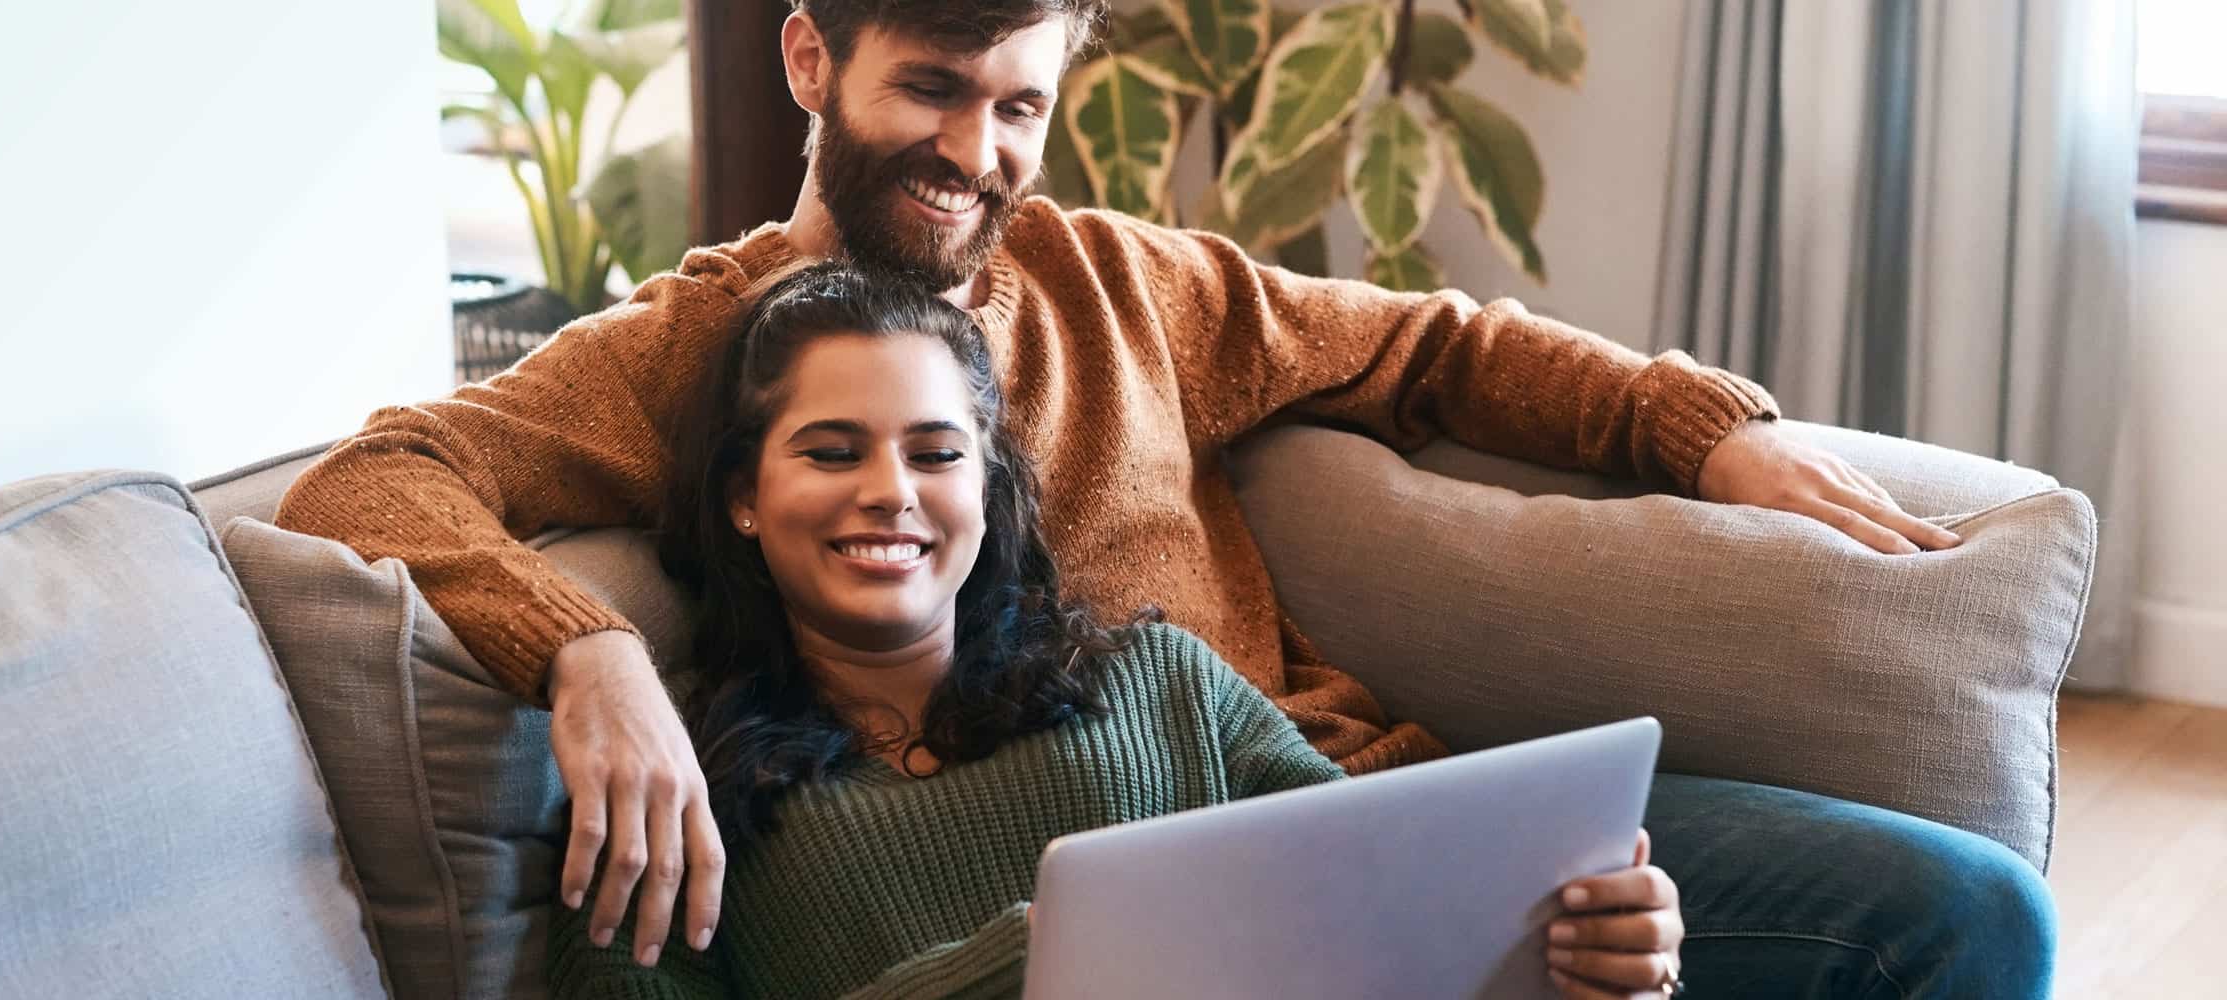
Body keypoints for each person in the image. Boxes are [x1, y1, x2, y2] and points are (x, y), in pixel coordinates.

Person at [277, 1, 2053, 994]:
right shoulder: (691, 355)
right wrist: (583, 657)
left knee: (1963, 915)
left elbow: (1434, 346)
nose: (980, 155)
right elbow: (378, 475)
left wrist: (1700, 429)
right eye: (934, 90)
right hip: (1077, 936)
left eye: (1022, 104)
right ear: (811, 61)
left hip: (1356, 823)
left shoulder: (1129, 281)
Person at [545, 261, 1685, 998]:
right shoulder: (672, 798)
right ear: (743, 494)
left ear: (987, 491)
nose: (892, 490)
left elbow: (1387, 929)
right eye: (833, 451)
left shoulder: (1156, 678)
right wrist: (1052, 956)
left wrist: (1572, 957)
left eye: (937, 453)